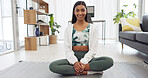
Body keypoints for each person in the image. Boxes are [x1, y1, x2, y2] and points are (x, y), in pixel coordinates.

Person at [49, 1, 113, 75]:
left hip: (88, 58)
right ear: (74, 12)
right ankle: (88, 71)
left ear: (86, 11)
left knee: (109, 61)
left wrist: (83, 62)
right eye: (77, 10)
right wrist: (75, 62)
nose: (80, 13)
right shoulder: (68, 28)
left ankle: (77, 70)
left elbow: (93, 50)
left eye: (82, 10)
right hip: (72, 58)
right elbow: (68, 50)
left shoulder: (93, 28)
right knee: (53, 66)